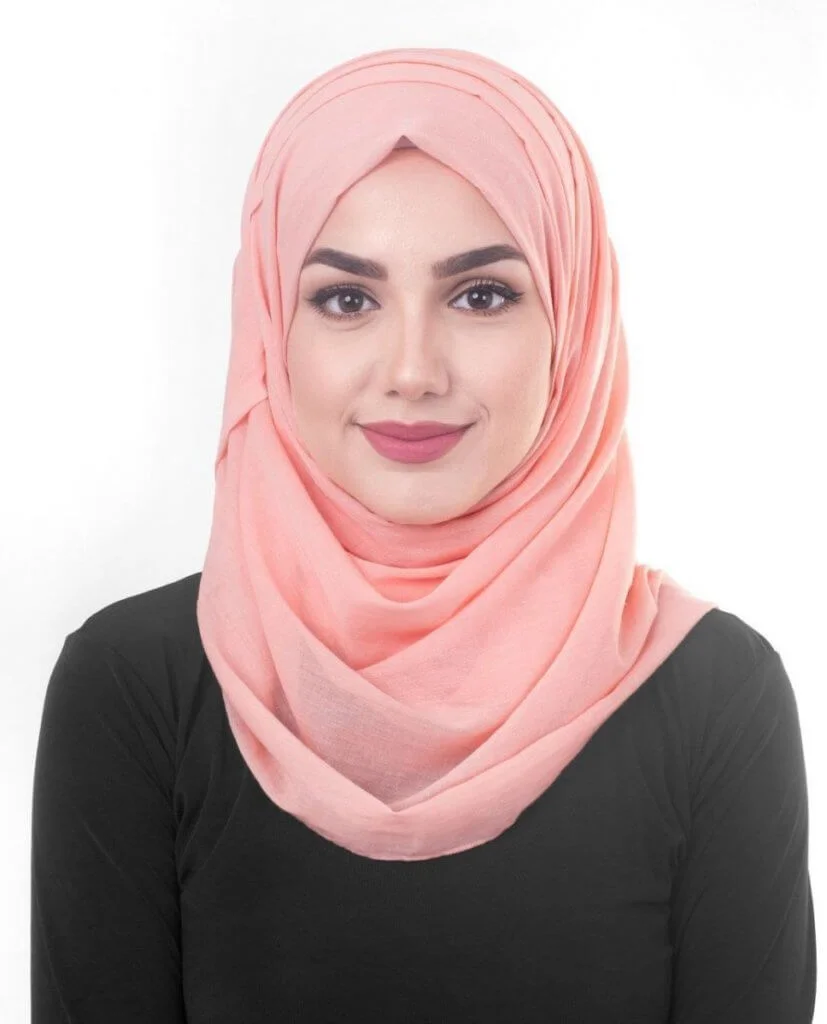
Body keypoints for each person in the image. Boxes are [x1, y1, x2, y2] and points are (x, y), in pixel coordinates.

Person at [30, 46, 816, 1022]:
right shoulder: (135, 690)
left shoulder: (713, 698)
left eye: (480, 295)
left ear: (571, 327)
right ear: (271, 327)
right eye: (346, 298)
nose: (410, 370)